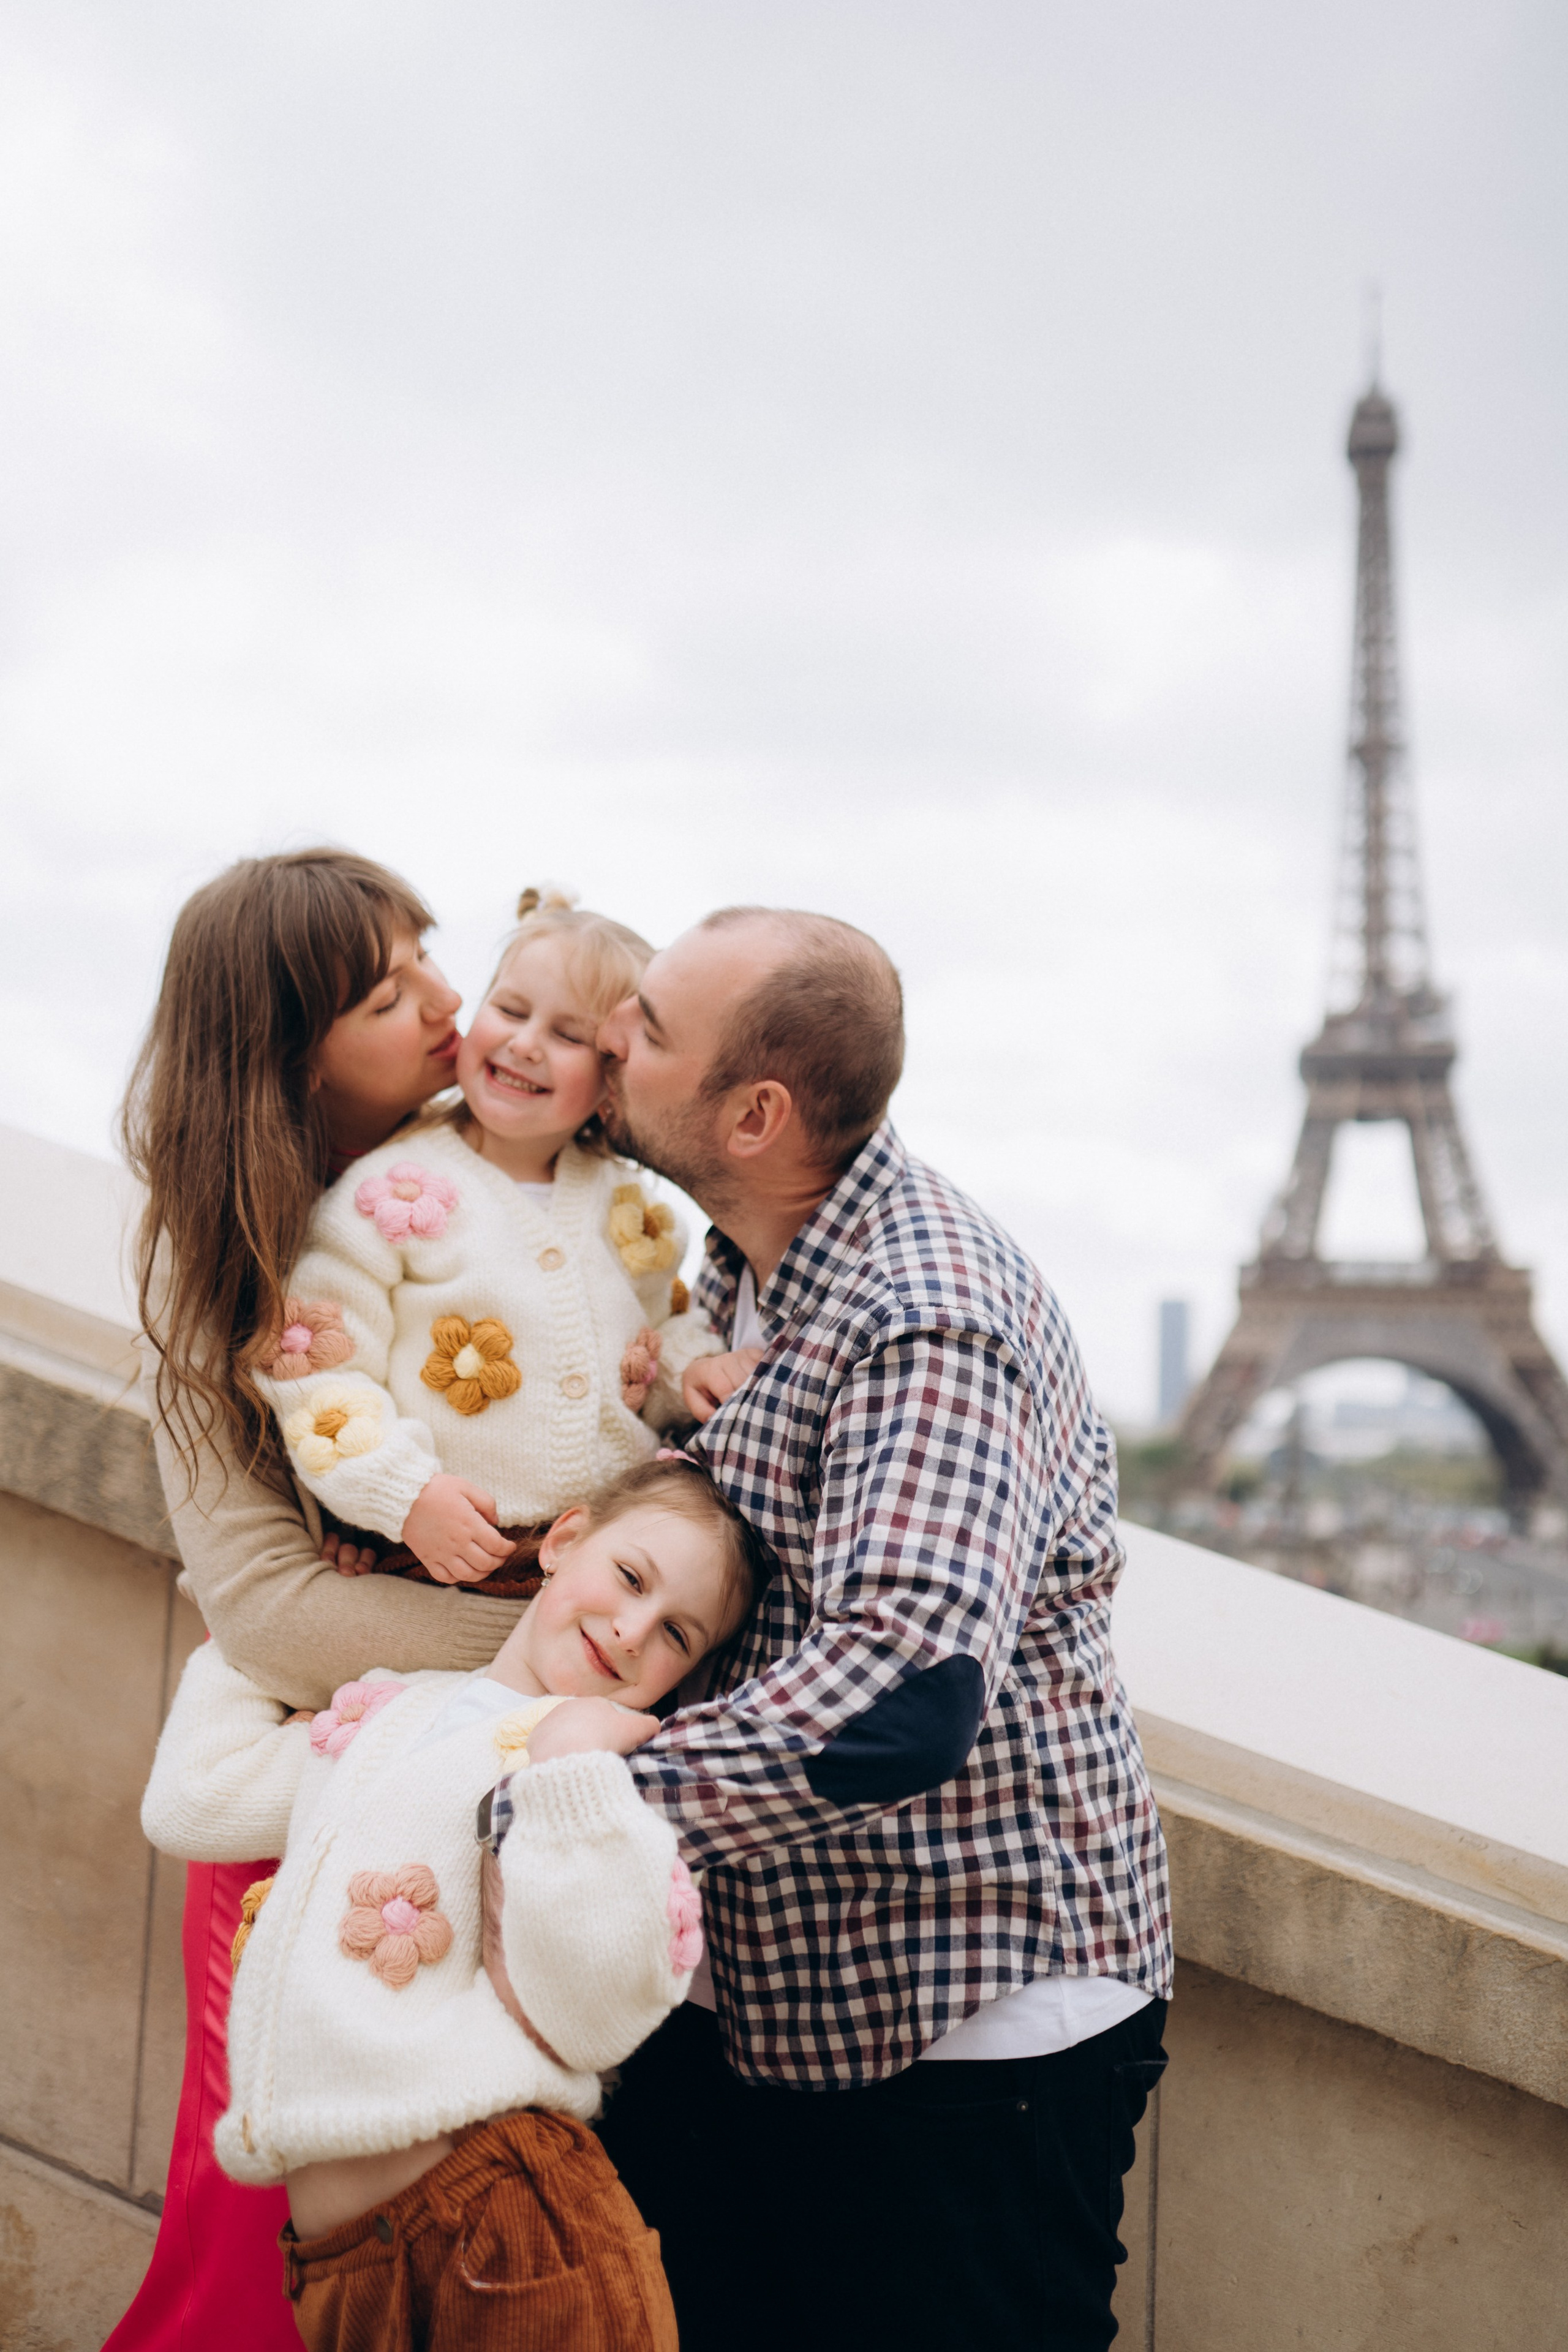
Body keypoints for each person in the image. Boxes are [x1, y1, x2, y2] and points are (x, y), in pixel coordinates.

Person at [491, 906, 1174, 2352]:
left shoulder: (926, 1315)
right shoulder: (754, 1256)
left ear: (754, 1113)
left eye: (653, 1027)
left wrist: (561, 1799)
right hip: (797, 2012)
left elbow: (903, 1692)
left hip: (957, 2045)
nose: (616, 1033)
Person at [110, 851, 534, 2351]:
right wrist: (559, 1643)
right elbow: (279, 1620)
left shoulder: (516, 1157)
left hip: (503, 1816)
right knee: (257, 2273)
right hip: (314, 1827)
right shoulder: (210, 1254)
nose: (444, 998)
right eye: (381, 991)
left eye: (429, 952)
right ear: (291, 1056)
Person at [141, 1455, 766, 2350]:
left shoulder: (600, 1774)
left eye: (677, 1636)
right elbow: (194, 1799)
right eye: (631, 1578)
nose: (633, 1630)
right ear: (566, 1538)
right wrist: (238, 1622)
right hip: (345, 2262)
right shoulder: (388, 1709)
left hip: (510, 2238)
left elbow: (597, 2015)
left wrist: (573, 1766)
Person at [254, 888, 720, 1593]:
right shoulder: (391, 1196)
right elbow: (318, 1369)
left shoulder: (632, 1208)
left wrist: (690, 1369)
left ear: (611, 1081)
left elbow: (654, 1330)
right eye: (509, 1009)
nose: (526, 1043)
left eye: (569, 1036)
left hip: (599, 1556)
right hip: (442, 1551)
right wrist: (404, 1496)